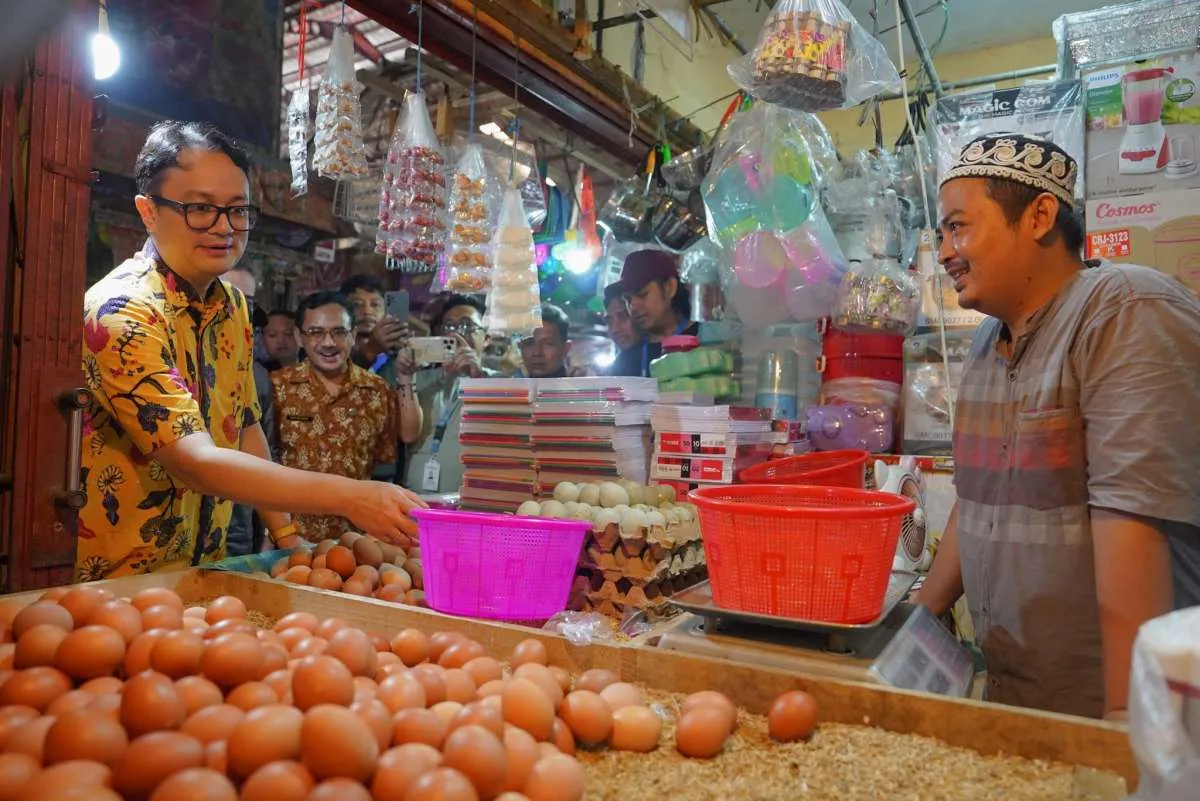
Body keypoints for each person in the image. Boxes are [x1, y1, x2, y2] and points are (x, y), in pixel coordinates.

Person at [914, 133, 1200, 720]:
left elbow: (1133, 521)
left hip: (1111, 703)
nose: (945, 251)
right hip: (1022, 697)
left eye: (959, 227)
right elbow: (978, 497)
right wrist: (919, 618)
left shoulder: (1125, 310)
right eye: (942, 233)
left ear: (1040, 215)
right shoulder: (989, 342)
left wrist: (1126, 736)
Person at [78, 120, 423, 581]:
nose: (224, 228)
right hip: (125, 577)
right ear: (148, 211)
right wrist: (349, 495)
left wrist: (287, 541)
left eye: (237, 210)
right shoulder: (119, 311)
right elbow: (195, 462)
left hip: (211, 567)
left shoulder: (233, 306)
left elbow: (244, 430)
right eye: (200, 208)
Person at [271, 292, 399, 542]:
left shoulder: (378, 390)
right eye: (316, 332)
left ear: (352, 336)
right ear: (299, 337)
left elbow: (381, 462)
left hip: (358, 540)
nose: (328, 342)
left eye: (339, 332)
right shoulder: (277, 387)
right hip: (292, 539)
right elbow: (263, 466)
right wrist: (278, 531)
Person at [401, 294, 490, 495]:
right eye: (450, 326)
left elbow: (496, 434)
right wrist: (406, 377)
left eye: (467, 326)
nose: (457, 333)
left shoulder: (500, 383)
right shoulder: (422, 379)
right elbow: (408, 434)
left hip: (471, 502)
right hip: (417, 498)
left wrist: (477, 377)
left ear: (486, 337)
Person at [219, 264, 274, 556]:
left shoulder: (258, 376)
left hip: (237, 525)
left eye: (246, 302)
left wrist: (277, 530)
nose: (236, 307)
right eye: (226, 294)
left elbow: (263, 448)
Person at [609, 250, 697, 377]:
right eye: (628, 299)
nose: (633, 307)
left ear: (670, 288)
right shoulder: (625, 361)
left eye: (642, 294)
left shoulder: (707, 339)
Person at [517, 304, 572, 378]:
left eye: (548, 344)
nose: (537, 353)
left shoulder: (584, 387)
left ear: (566, 348)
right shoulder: (507, 388)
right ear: (520, 346)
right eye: (529, 343)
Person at [602, 281, 639, 353]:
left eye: (623, 317)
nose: (615, 329)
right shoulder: (620, 362)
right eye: (609, 322)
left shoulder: (660, 356)